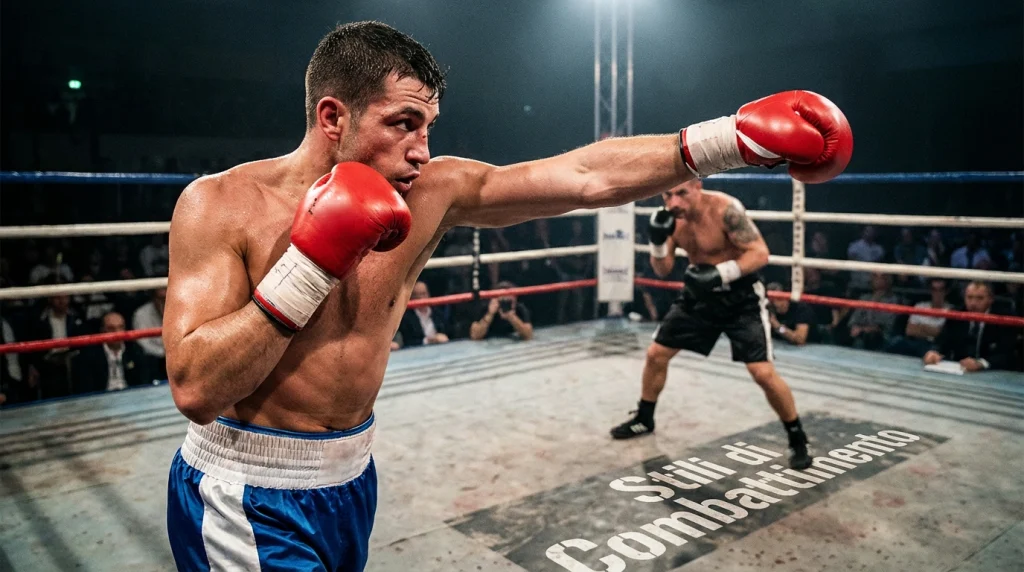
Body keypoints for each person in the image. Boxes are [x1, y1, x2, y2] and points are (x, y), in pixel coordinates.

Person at [163, 21, 851, 571]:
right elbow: (195, 387)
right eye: (403, 123)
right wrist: (309, 266)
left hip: (349, 479)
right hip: (247, 490)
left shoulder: (433, 193)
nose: (422, 151)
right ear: (333, 115)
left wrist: (727, 139)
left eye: (428, 127)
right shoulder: (221, 205)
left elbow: (584, 175)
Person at [608, 179, 814, 470]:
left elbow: (759, 253)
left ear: (697, 187)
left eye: (682, 193)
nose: (674, 202)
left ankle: (797, 437)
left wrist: (721, 273)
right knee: (656, 355)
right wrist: (656, 241)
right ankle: (644, 418)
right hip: (699, 297)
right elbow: (663, 270)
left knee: (762, 372)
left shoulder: (725, 209)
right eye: (668, 195)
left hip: (741, 297)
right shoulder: (670, 219)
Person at [923, 282, 1016, 372]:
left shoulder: (1002, 318)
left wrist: (981, 363)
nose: (973, 303)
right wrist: (933, 352)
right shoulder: (956, 314)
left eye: (980, 298)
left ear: (990, 299)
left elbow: (1007, 353)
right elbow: (941, 340)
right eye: (969, 297)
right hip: (960, 371)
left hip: (993, 374)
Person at [469, 281, 533, 341]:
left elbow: (528, 336)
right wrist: (490, 314)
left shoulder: (520, 308)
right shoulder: (486, 308)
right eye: (502, 297)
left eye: (509, 297)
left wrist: (512, 317)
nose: (505, 300)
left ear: (515, 297)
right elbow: (475, 336)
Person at [397, 281, 450, 347]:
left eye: (423, 294)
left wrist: (443, 337)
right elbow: (408, 342)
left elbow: (449, 333)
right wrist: (429, 340)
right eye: (416, 295)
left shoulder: (438, 313)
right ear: (411, 297)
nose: (420, 298)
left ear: (428, 294)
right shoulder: (406, 318)